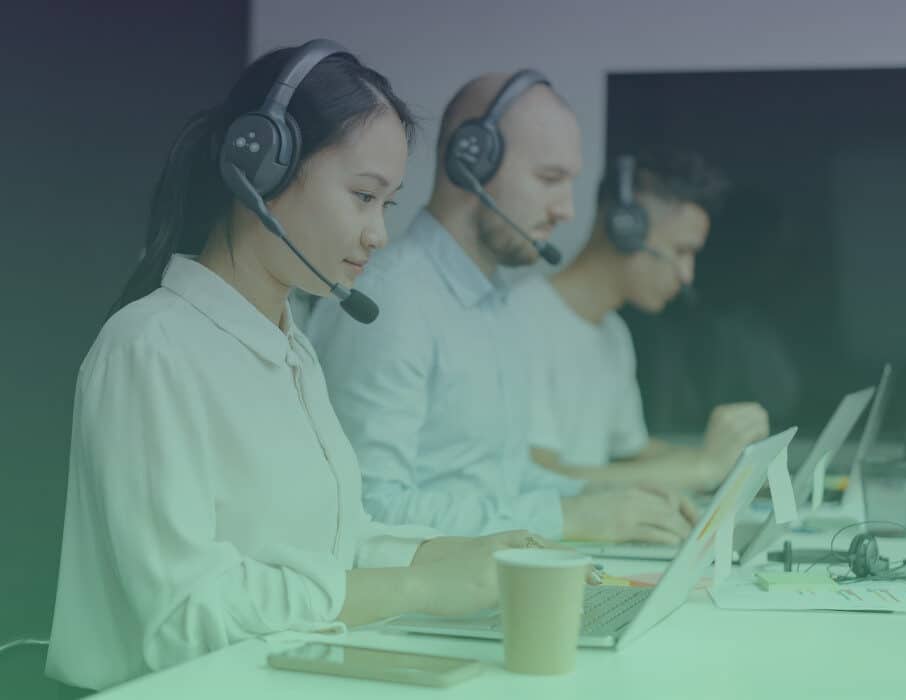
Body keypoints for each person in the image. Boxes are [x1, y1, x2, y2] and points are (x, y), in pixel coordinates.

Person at [45, 42, 546, 693]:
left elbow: (330, 544)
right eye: (363, 196)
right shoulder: (151, 348)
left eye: (387, 205)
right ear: (261, 166)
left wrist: (454, 553)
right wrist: (419, 587)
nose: (378, 233)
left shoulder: (291, 347)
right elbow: (182, 617)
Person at [307, 73, 697, 544]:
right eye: (549, 179)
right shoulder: (391, 302)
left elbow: (505, 480)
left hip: (486, 577)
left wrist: (613, 500)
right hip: (425, 587)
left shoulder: (496, 305)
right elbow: (369, 508)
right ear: (472, 160)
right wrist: (567, 519)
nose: (566, 210)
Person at [508, 149, 770, 491]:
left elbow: (632, 453)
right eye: (681, 251)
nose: (687, 275)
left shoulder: (613, 333)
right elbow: (541, 480)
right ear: (625, 228)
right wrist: (702, 469)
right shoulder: (523, 318)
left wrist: (730, 460)